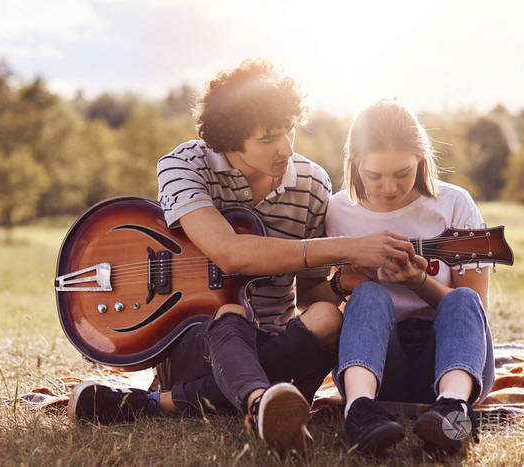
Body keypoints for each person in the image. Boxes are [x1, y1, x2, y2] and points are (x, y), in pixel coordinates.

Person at [67, 60, 415, 454]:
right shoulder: (184, 165)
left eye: (289, 131)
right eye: (268, 138)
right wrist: (347, 247)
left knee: (330, 317)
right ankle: (256, 403)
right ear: (230, 141)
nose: (286, 148)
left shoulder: (313, 183)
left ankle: (179, 404)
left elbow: (311, 296)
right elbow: (231, 255)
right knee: (229, 314)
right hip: (196, 339)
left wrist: (341, 283)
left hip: (279, 344)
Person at [324, 99, 495, 455]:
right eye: (374, 176)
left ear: (421, 158)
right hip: (378, 363)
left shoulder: (455, 204)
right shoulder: (338, 211)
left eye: (403, 173)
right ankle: (359, 411)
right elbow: (318, 300)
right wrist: (346, 284)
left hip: (452, 360)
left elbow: (474, 311)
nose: (389, 187)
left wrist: (415, 281)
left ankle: (452, 411)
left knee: (463, 299)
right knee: (369, 296)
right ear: (355, 163)